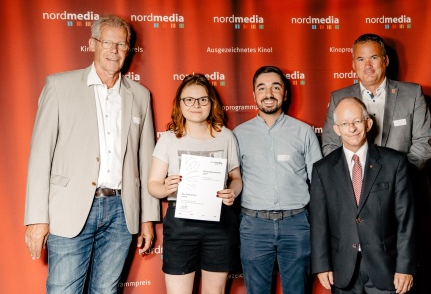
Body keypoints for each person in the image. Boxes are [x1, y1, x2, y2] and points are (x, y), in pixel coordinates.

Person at [23, 15, 160, 294]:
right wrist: (37, 218)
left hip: (122, 212)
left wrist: (147, 218)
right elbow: (40, 156)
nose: (114, 50)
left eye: (121, 44)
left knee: (107, 291)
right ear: (92, 44)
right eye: (107, 42)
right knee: (63, 290)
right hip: (70, 209)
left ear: (128, 49)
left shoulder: (140, 96)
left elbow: (146, 162)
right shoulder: (59, 86)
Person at [310, 97, 416, 294]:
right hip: (343, 268)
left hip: (387, 268)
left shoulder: (395, 163)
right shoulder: (322, 170)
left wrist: (405, 267)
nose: (352, 128)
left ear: (368, 124)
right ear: (337, 129)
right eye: (345, 123)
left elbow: (406, 220)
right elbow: (319, 222)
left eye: (357, 121)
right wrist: (321, 264)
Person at [148, 74, 242, 294]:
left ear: (212, 103)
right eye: (188, 99)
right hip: (180, 225)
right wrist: (165, 188)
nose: (196, 105)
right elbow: (153, 184)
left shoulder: (226, 136)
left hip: (220, 224)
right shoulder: (169, 139)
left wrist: (232, 192)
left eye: (202, 99)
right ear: (179, 104)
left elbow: (236, 178)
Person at [233, 66, 322, 294]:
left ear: (285, 93)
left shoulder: (304, 132)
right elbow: (231, 179)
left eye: (275, 87)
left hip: (297, 224)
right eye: (261, 88)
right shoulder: (238, 135)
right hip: (254, 226)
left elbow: (319, 184)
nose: (268, 93)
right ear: (254, 95)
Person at [322, 33, 431, 171]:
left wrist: (397, 176)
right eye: (361, 59)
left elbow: (423, 145)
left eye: (374, 57)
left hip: (401, 182)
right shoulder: (338, 98)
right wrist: (354, 175)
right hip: (356, 184)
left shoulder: (412, 94)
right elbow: (330, 146)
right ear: (353, 64)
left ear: (385, 60)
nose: (368, 65)